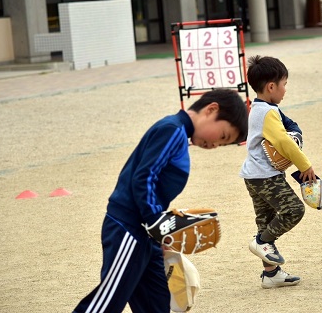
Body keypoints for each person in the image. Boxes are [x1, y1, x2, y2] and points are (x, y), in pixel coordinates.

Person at [73, 88, 248, 313]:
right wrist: (156, 221)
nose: (215, 145)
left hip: (145, 232)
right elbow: (144, 177)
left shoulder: (178, 133)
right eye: (223, 136)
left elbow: (152, 185)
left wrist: (160, 230)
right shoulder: (173, 129)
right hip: (129, 227)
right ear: (211, 109)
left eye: (223, 145)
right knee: (107, 303)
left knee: (156, 304)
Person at [240, 55, 317, 289]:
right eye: (284, 85)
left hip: (253, 177)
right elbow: (284, 142)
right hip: (265, 177)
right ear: (271, 86)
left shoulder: (260, 108)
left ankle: (271, 274)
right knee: (293, 210)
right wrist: (305, 165)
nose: (285, 90)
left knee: (265, 220)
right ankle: (261, 241)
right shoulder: (268, 113)